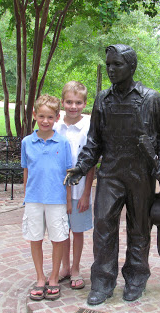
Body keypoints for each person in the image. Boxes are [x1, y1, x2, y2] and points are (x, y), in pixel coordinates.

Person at [64, 44, 160, 305]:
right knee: (103, 225)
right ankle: (102, 281)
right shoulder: (102, 99)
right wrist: (81, 167)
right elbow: (94, 141)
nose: (112, 69)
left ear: (132, 67)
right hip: (111, 174)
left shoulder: (151, 98)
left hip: (141, 175)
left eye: (117, 65)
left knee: (139, 227)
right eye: (109, 65)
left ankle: (136, 277)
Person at [21, 94, 72, 301]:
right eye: (41, 116)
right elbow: (26, 171)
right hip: (34, 199)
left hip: (56, 199)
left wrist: (68, 201)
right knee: (35, 238)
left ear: (57, 117)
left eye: (50, 117)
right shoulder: (27, 142)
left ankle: (53, 278)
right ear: (34, 115)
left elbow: (68, 174)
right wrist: (26, 197)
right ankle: (40, 277)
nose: (45, 121)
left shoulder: (63, 142)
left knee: (58, 238)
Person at [53, 81, 94, 290]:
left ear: (84, 104)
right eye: (69, 102)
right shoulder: (55, 126)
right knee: (62, 231)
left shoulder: (88, 127)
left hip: (79, 191)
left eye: (78, 102)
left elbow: (91, 163)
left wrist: (87, 193)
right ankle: (65, 268)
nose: (73, 106)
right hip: (58, 191)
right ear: (62, 102)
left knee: (77, 230)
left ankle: (76, 268)